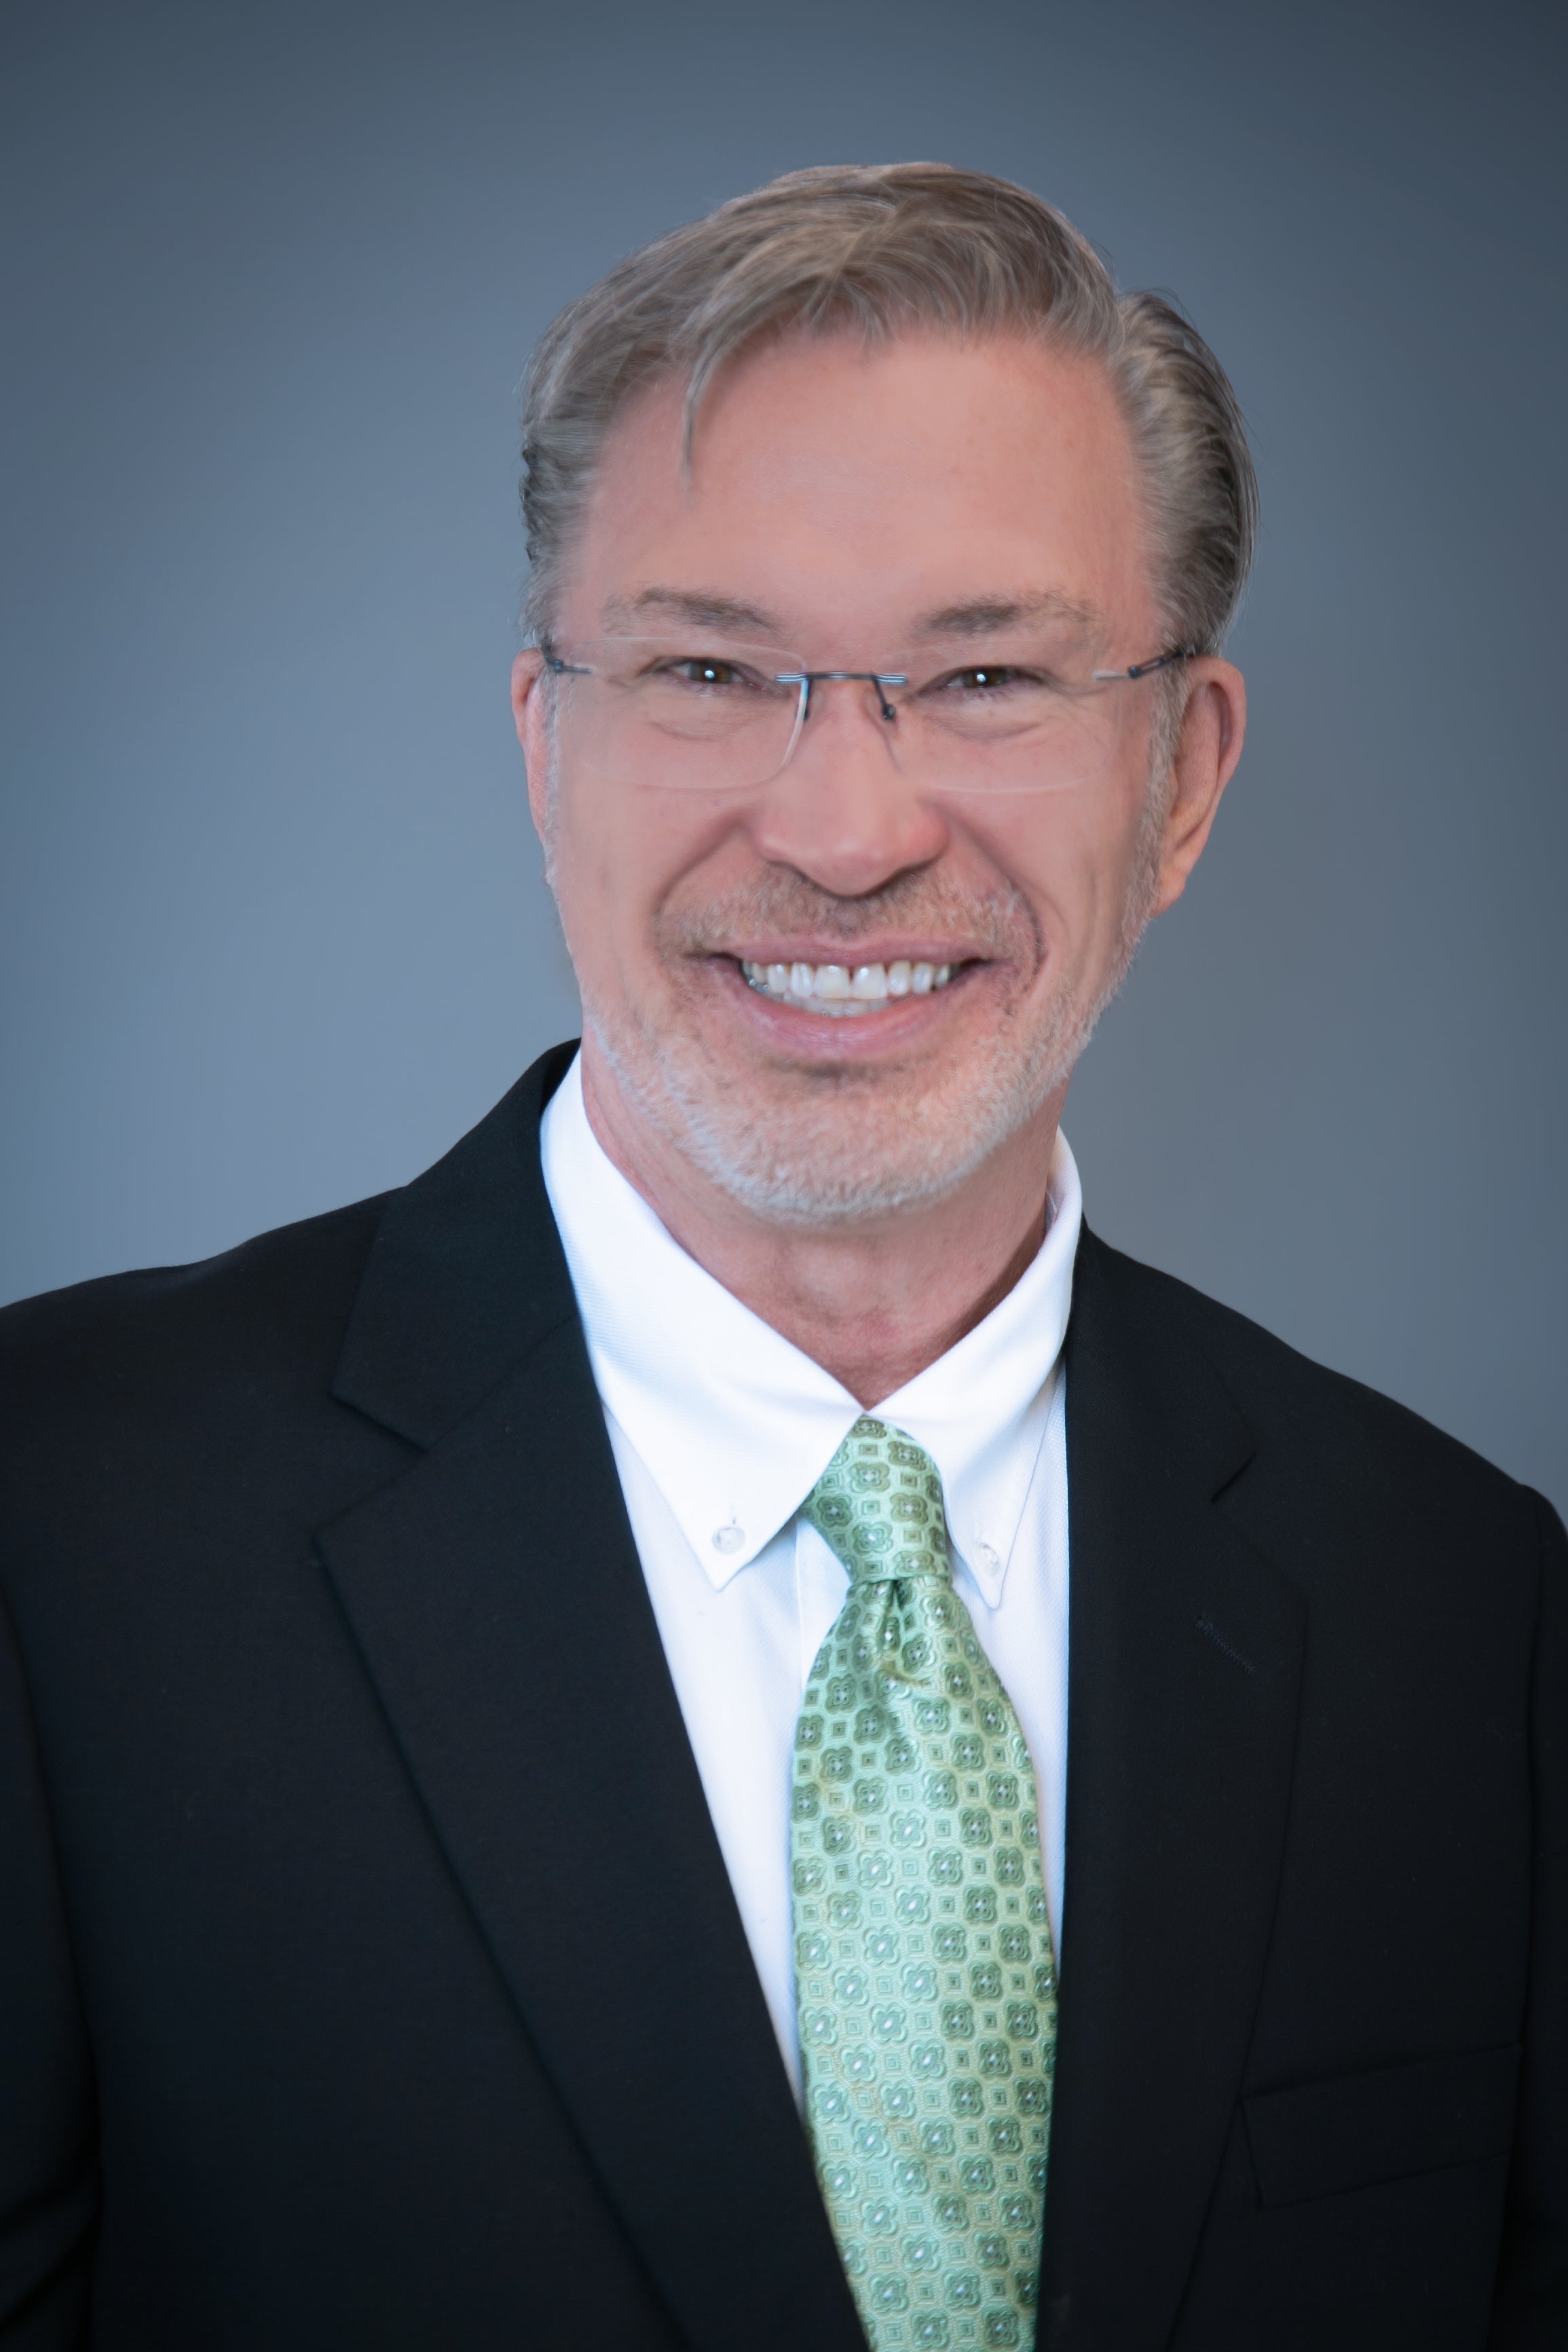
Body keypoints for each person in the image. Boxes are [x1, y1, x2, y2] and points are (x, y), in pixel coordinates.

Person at [0, 163, 1561, 2352]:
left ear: (1185, 779)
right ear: (546, 745)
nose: (846, 833)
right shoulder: (52, 1529)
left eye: (988, 672)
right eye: (712, 668)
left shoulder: (1470, 1611)